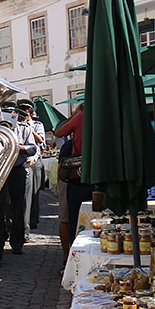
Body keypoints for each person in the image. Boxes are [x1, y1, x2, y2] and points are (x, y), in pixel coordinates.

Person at [0, 103, 37, 263]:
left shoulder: (24, 128)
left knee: (19, 207)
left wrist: (20, 147)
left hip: (16, 169)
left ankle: (17, 243)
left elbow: (33, 149)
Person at [55, 103, 92, 242]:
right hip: (99, 171)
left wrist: (74, 115)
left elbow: (58, 132)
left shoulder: (81, 117)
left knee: (74, 216)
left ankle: (74, 250)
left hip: (79, 171)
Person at [17, 99, 45, 236]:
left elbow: (40, 141)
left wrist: (29, 128)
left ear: (31, 112)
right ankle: (24, 223)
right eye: (22, 110)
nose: (24, 113)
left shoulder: (37, 125)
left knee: (35, 191)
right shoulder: (16, 125)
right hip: (23, 160)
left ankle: (33, 219)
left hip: (36, 159)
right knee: (24, 196)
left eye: (26, 111)